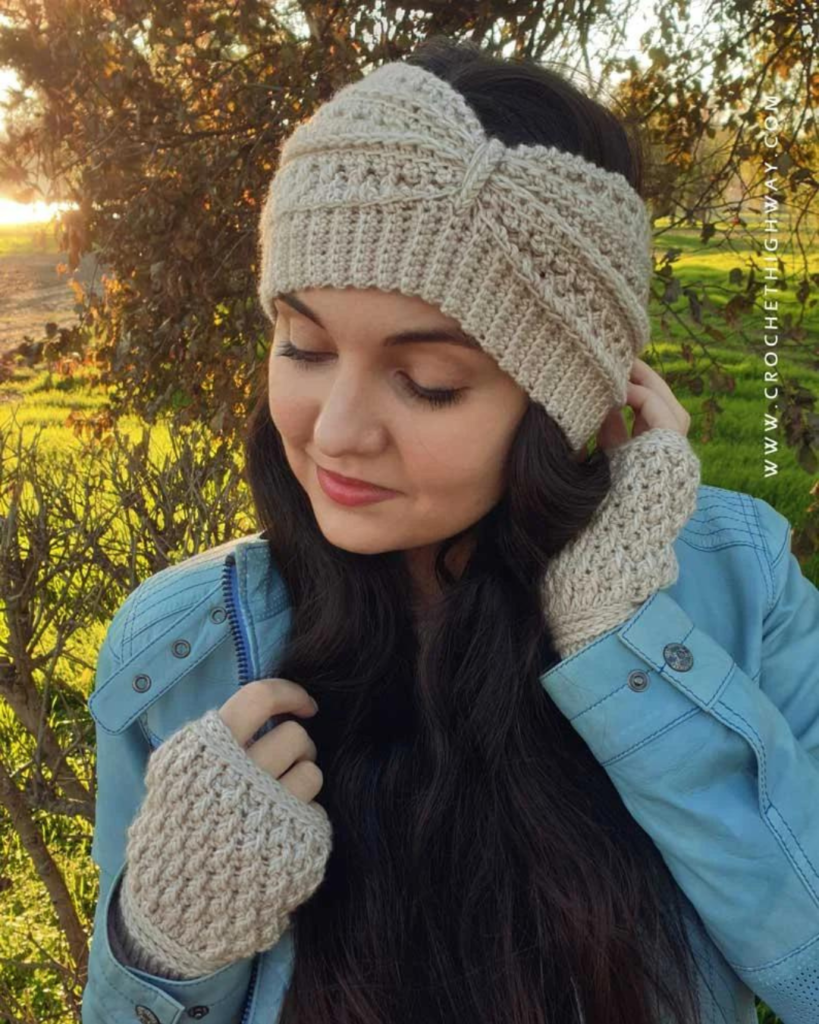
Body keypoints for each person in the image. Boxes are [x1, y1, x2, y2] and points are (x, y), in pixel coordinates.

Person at [82, 35, 819, 1024]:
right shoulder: (179, 651)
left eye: (427, 381)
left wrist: (619, 640)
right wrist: (162, 944)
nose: (335, 432)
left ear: (565, 403)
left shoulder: (737, 589)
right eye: (302, 345)